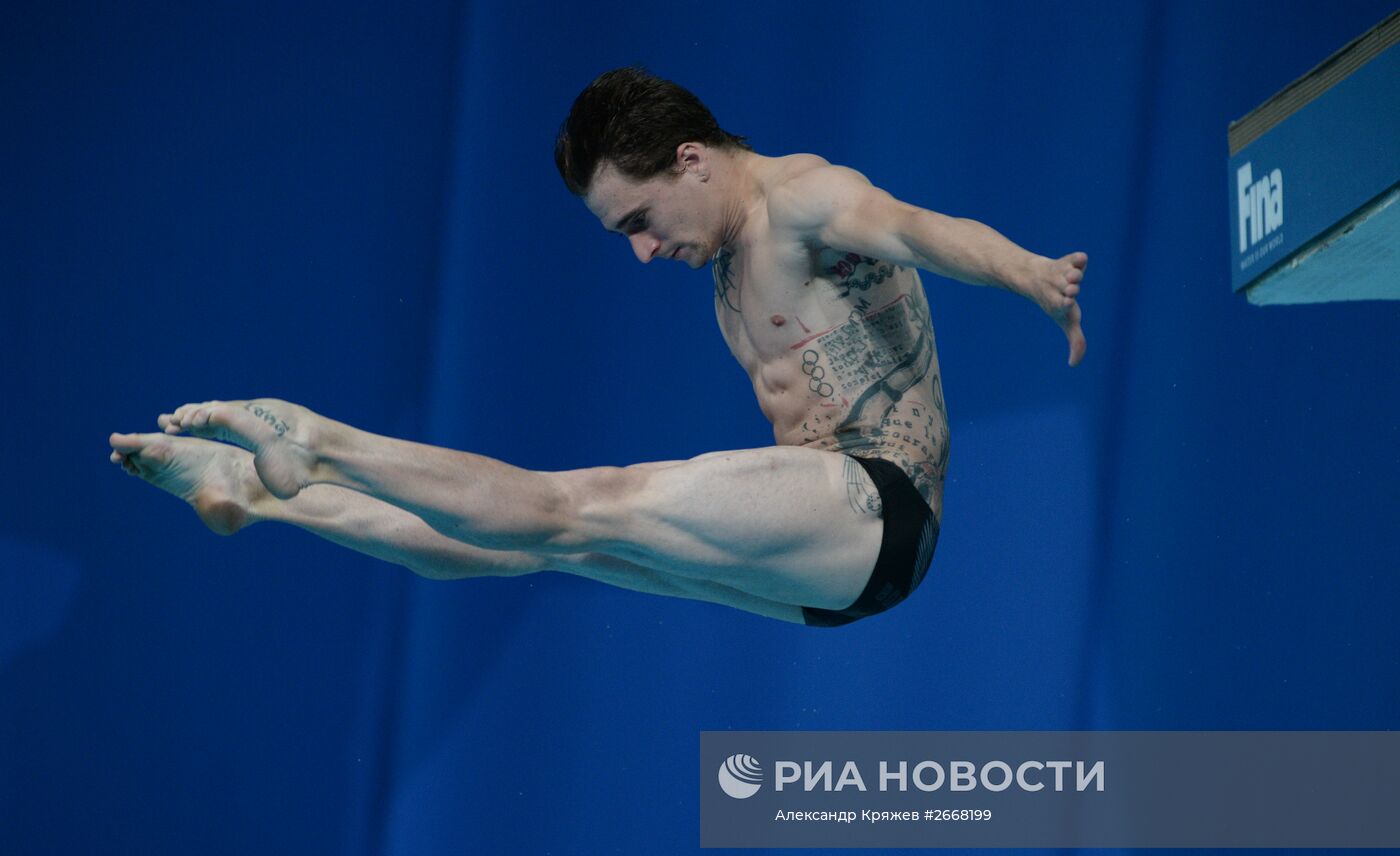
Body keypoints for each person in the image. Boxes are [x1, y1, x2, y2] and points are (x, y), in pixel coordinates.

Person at [109, 67, 1086, 626]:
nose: (643, 249)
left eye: (640, 217)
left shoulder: (804, 200)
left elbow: (918, 230)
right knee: (529, 544)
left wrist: (1028, 272)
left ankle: (319, 445)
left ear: (690, 160)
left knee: (579, 499)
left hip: (881, 508)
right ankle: (260, 490)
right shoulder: (725, 266)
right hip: (826, 573)